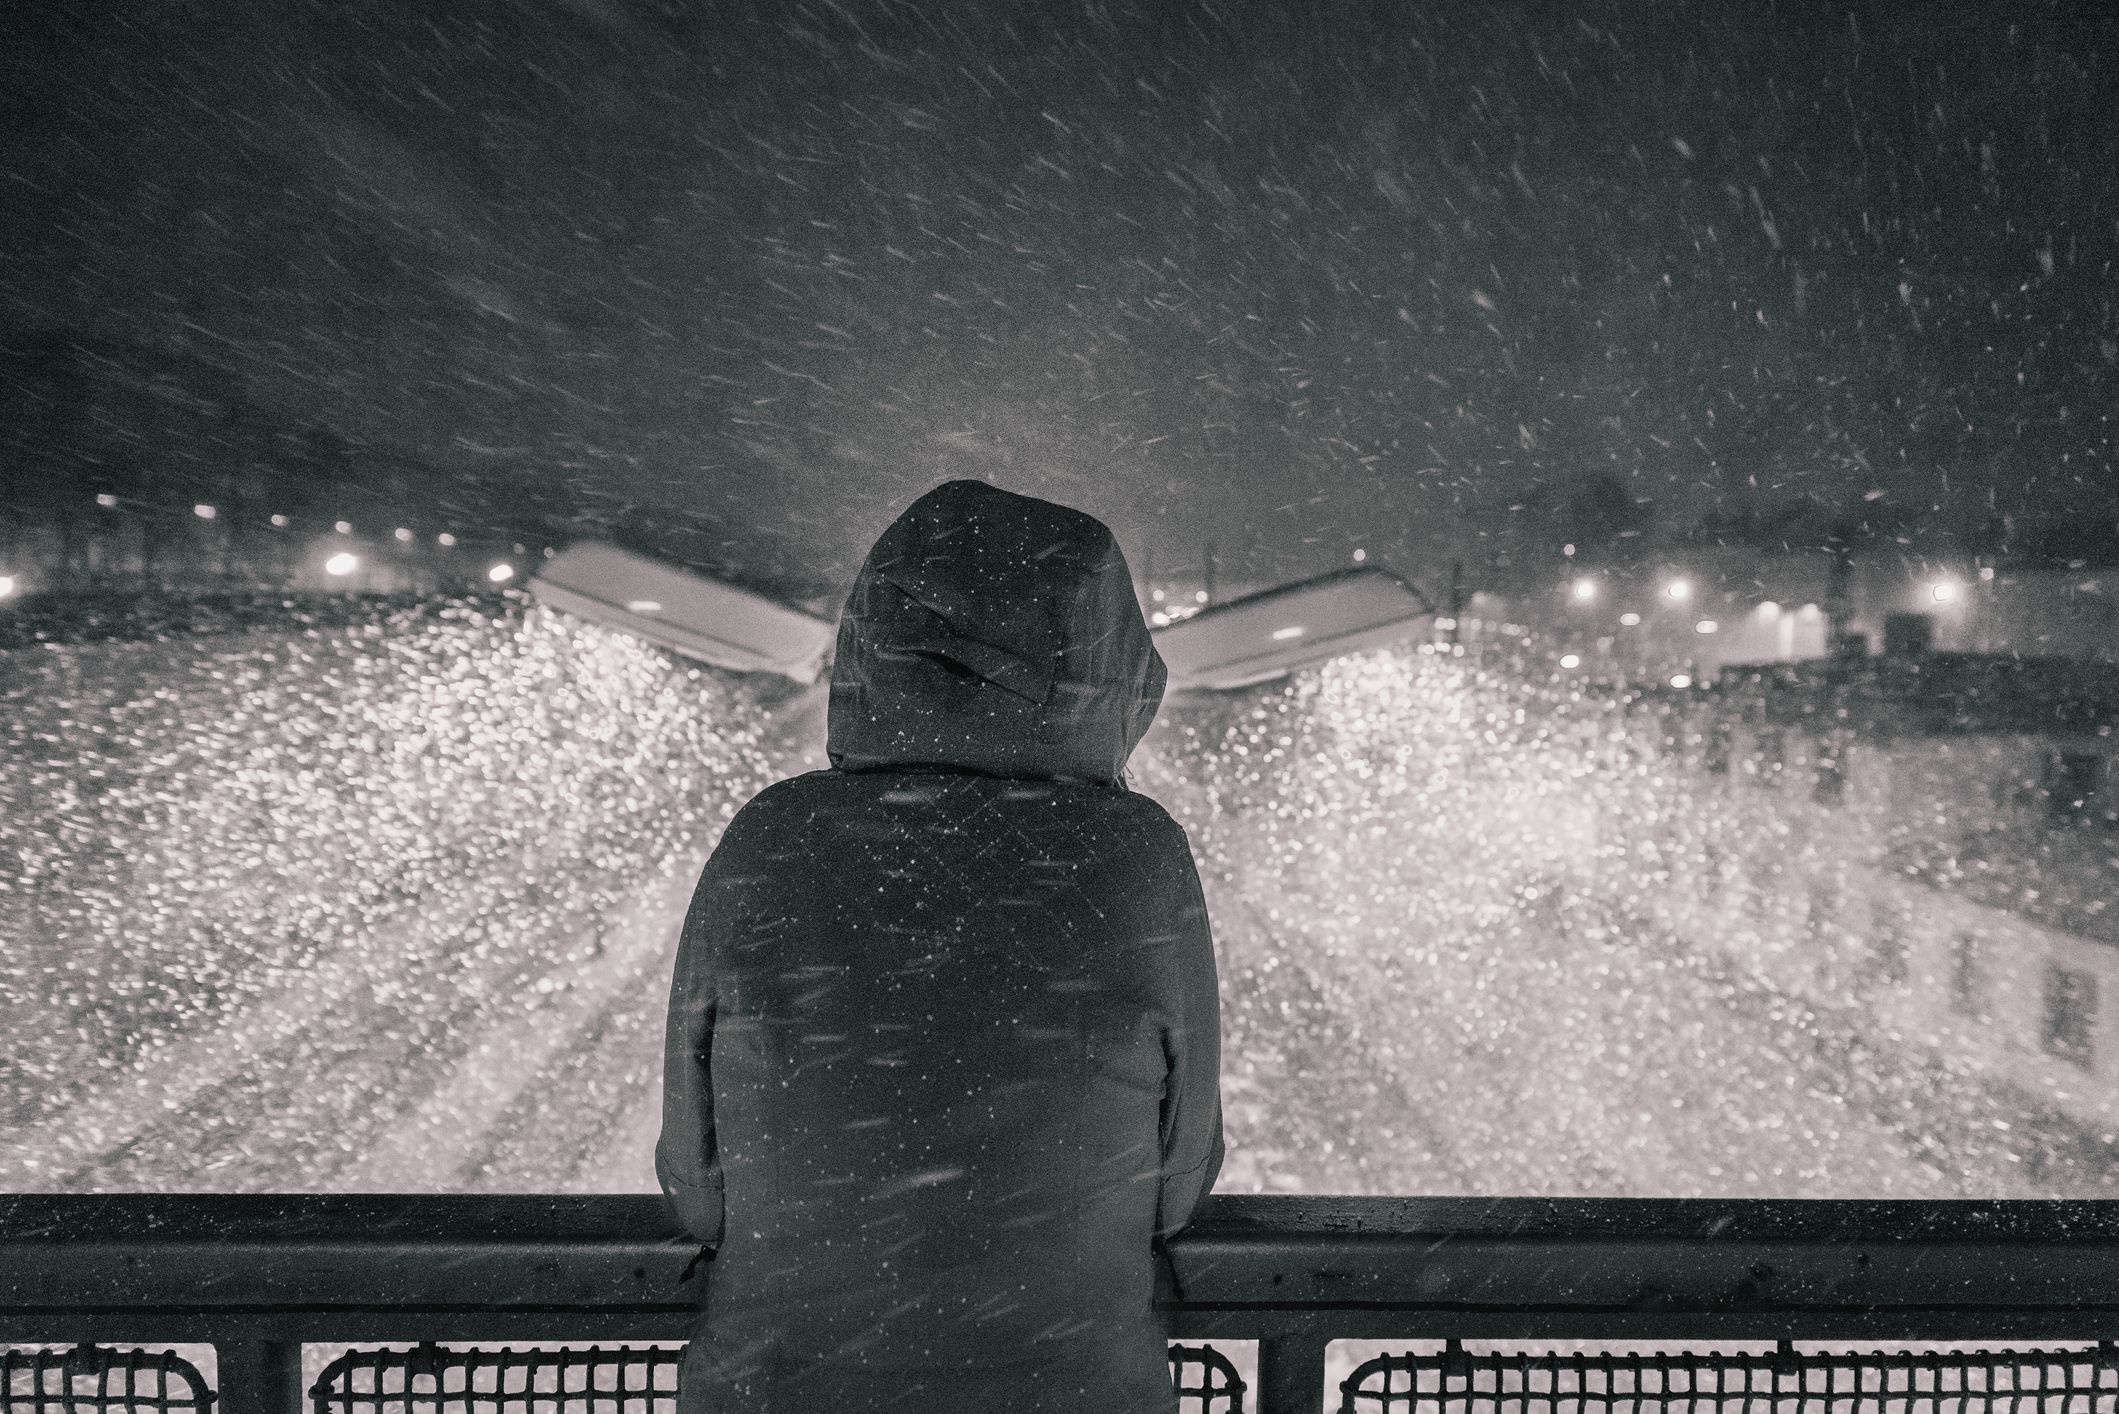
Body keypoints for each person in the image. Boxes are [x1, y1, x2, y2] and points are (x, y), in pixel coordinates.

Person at [657, 478, 1224, 1414]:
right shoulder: (1138, 856)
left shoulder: (772, 836)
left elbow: (696, 1182)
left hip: (779, 1389)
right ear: (1107, 661)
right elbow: (1177, 1183)